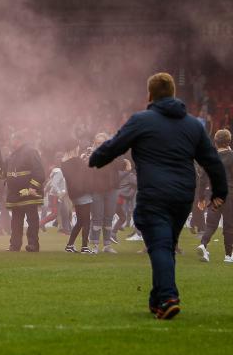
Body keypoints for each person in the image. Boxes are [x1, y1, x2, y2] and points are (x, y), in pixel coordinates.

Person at [90, 73, 227, 320]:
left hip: (154, 193)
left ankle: (167, 297)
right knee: (166, 246)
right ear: (174, 93)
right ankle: (157, 298)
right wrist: (220, 191)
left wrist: (96, 158)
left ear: (149, 95)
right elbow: (212, 161)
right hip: (182, 196)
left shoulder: (142, 121)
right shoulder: (194, 124)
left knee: (160, 245)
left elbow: (115, 145)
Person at [196, 129, 233, 263]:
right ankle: (228, 255)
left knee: (211, 224)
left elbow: (202, 179)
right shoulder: (232, 157)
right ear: (229, 141)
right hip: (229, 195)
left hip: (213, 195)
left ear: (215, 142)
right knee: (229, 226)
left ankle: (203, 245)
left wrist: (200, 198)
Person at [4, 131, 45, 252]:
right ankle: (14, 245)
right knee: (16, 221)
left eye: (13, 140)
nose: (11, 142)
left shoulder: (31, 152)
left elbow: (39, 172)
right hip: (15, 195)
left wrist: (32, 188)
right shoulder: (12, 155)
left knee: (32, 220)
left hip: (29, 193)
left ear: (18, 140)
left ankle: (33, 245)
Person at [61, 143, 92, 253]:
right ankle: (84, 247)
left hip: (74, 194)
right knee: (86, 221)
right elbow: (86, 173)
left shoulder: (64, 162)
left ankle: (70, 245)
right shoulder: (77, 161)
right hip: (83, 192)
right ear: (75, 148)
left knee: (80, 221)